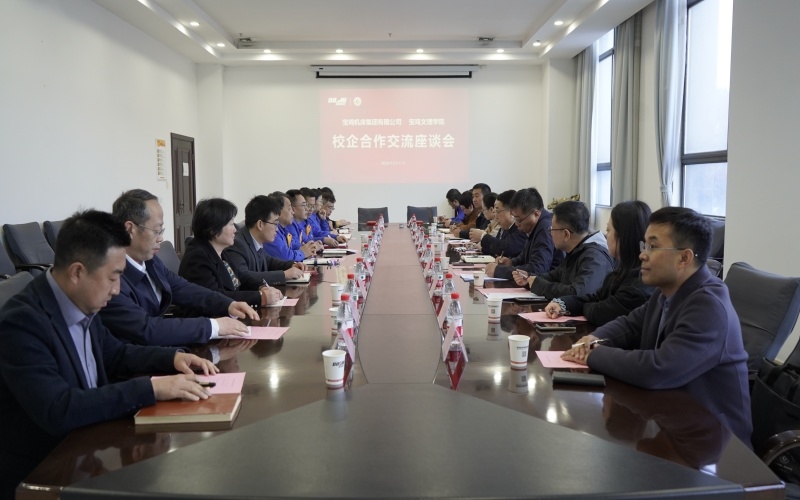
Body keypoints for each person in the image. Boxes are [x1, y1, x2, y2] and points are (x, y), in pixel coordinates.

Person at [0, 210, 219, 497]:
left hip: (90, 446)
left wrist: (172, 358)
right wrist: (151, 388)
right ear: (77, 272)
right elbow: (58, 409)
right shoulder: (22, 323)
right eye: (113, 278)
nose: (117, 290)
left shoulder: (80, 301)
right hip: (44, 472)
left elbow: (115, 354)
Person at [562, 207, 752, 443]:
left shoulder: (708, 306)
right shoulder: (668, 292)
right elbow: (629, 324)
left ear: (684, 258)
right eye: (645, 246)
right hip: (671, 421)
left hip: (714, 441)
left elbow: (657, 369)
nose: (643, 255)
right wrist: (592, 339)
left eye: (653, 247)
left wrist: (593, 354)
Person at [99, 189, 258, 346]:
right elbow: (146, 329)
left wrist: (228, 304)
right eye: (156, 231)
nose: (161, 238)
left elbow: (183, 288)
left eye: (162, 230)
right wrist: (213, 327)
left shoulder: (151, 262)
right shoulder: (111, 281)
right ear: (130, 229)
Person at [543, 201, 654, 326]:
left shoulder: (638, 285)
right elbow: (595, 297)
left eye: (608, 230)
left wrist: (583, 306)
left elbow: (600, 312)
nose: (606, 236)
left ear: (623, 236)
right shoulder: (620, 272)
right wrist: (563, 303)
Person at [178, 198, 283, 312]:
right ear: (213, 229)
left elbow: (240, 278)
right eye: (231, 224)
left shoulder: (220, 252)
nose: (235, 230)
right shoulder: (197, 258)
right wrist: (260, 297)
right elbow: (216, 297)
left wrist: (262, 287)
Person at [514, 200, 613, 300]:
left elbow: (579, 293)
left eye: (552, 230)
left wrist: (542, 287)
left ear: (566, 234)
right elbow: (556, 276)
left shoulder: (595, 257)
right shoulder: (576, 250)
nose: (550, 234)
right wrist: (530, 278)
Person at [223, 195, 306, 288]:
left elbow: (268, 261)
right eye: (275, 223)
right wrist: (284, 275)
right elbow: (244, 276)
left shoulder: (254, 239)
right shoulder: (237, 244)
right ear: (260, 224)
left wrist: (291, 265)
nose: (277, 229)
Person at [486, 188, 561, 279]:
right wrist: (511, 262)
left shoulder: (545, 227)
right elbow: (525, 256)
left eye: (518, 219)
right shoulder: (534, 224)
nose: (516, 224)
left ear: (536, 214)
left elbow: (538, 269)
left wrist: (499, 271)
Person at [263, 191, 317, 262]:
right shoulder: (271, 231)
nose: (293, 212)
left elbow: (295, 245)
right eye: (289, 209)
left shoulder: (284, 230)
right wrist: (303, 252)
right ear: (278, 211)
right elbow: (285, 256)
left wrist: (306, 248)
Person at [473, 189, 525, 259]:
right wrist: (482, 248)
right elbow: (497, 250)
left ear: (511, 212)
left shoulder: (521, 227)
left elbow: (507, 248)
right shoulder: (505, 227)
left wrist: (482, 236)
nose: (495, 216)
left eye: (497, 211)